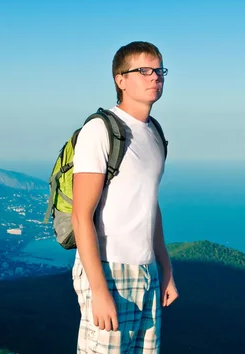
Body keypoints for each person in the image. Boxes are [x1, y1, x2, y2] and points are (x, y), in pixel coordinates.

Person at [70, 41, 178, 353]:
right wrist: (99, 291)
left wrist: (165, 269)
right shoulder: (101, 130)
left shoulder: (153, 132)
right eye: (144, 70)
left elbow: (149, 205)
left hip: (146, 272)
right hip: (108, 268)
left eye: (159, 70)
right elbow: (81, 215)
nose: (155, 77)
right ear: (121, 79)